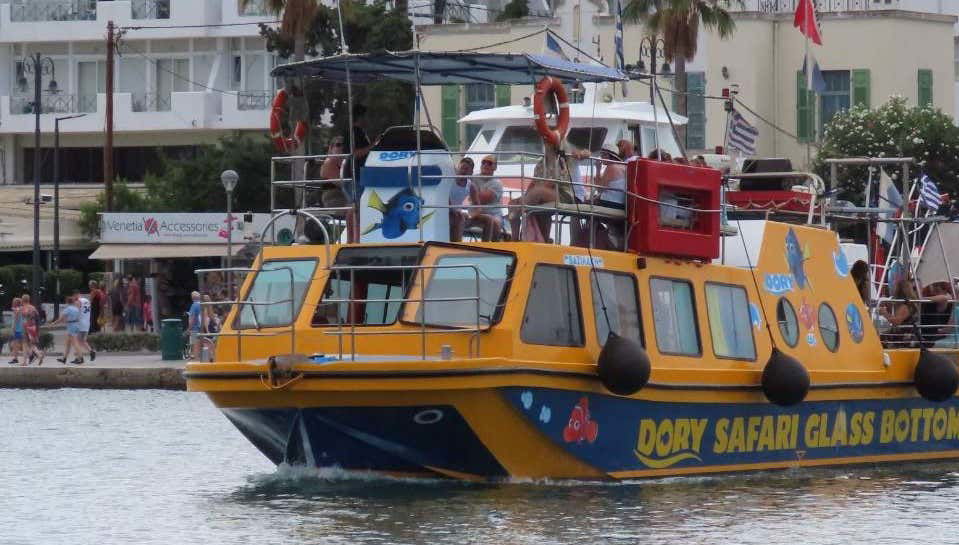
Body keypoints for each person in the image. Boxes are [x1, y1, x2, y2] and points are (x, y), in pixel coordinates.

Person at [468, 155, 504, 242]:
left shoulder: (497, 183)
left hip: (493, 214)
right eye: (483, 162)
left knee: (495, 223)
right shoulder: (472, 178)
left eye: (489, 163)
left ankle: (492, 247)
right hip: (475, 214)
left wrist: (472, 193)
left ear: (495, 167)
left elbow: (481, 199)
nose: (485, 165)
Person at [879, 274, 920, 347]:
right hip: (908, 334)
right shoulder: (910, 303)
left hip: (904, 336)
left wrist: (884, 313)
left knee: (880, 337)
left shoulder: (905, 306)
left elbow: (896, 321)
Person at [449, 157, 474, 242]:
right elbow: (444, 197)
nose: (463, 171)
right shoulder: (449, 179)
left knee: (488, 220)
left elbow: (477, 205)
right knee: (460, 219)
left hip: (457, 212)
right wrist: (454, 210)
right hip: (445, 211)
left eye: (466, 169)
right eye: (462, 168)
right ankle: (456, 245)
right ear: (458, 168)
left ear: (471, 172)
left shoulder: (470, 185)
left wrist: (470, 215)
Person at [20, 294, 44, 365]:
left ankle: (24, 362)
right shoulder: (33, 308)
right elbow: (38, 319)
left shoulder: (23, 308)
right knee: (32, 344)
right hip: (33, 327)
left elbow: (22, 318)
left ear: (22, 300)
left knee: (25, 344)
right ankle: (39, 355)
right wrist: (37, 329)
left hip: (26, 327)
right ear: (29, 300)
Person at [75, 289, 95, 361]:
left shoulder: (78, 301)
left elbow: (77, 312)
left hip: (81, 323)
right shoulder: (87, 301)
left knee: (77, 341)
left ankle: (79, 358)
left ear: (76, 294)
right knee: (83, 340)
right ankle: (91, 352)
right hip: (87, 322)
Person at [8, 298, 23, 365]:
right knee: (20, 344)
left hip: (17, 329)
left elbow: (15, 319)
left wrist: (13, 328)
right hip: (21, 329)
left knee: (15, 344)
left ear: (15, 303)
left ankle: (15, 358)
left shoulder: (17, 309)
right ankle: (34, 353)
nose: (12, 303)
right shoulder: (21, 309)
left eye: (13, 302)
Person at [188, 291, 203, 359]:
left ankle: (196, 358)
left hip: (194, 328)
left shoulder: (194, 306)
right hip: (201, 327)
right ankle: (199, 356)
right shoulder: (201, 305)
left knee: (194, 343)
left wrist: (189, 328)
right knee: (200, 342)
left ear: (192, 298)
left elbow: (192, 318)